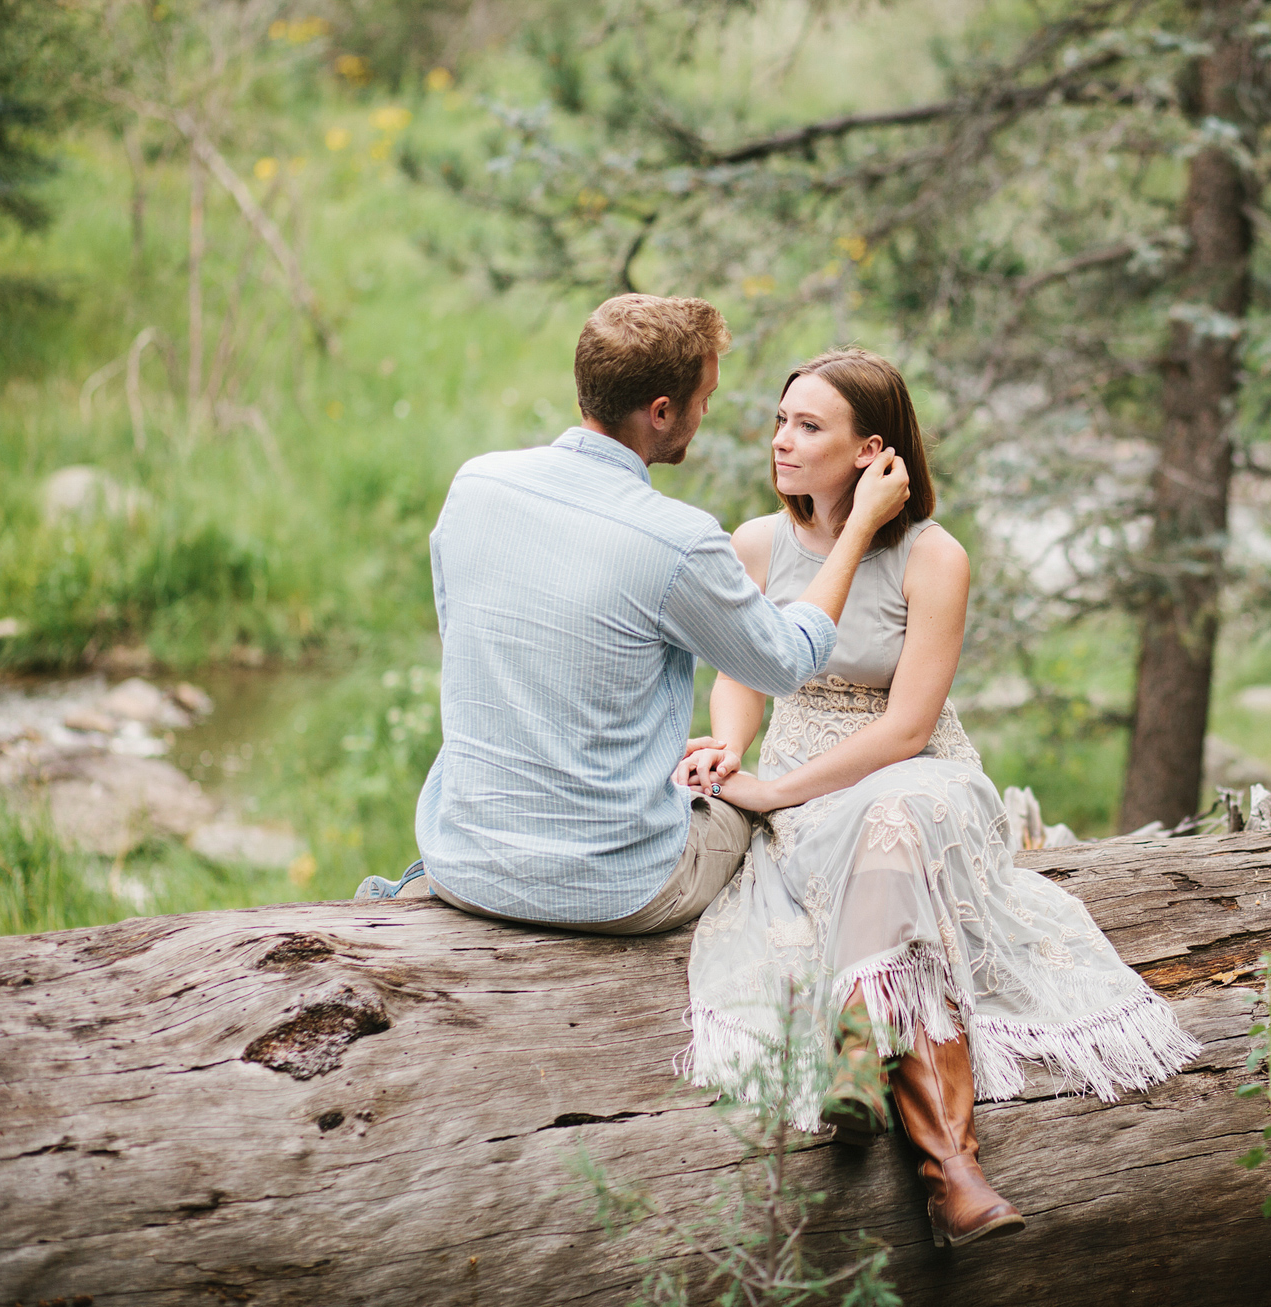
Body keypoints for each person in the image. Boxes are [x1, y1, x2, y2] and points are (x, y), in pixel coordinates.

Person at [678, 349, 1199, 1249]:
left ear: (872, 450)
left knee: (896, 818)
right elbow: (743, 678)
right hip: (801, 784)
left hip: (915, 777)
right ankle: (951, 1171)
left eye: (809, 426)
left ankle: (861, 1063)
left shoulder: (934, 555)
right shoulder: (757, 544)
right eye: (779, 419)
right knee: (884, 855)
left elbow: (907, 730)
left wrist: (775, 789)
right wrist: (730, 746)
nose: (780, 441)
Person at [356, 294, 910, 934]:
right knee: (756, 820)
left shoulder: (476, 484)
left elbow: (492, 657)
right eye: (704, 399)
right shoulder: (678, 539)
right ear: (661, 412)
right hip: (614, 891)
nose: (707, 413)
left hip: (464, 864)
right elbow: (787, 661)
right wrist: (861, 526)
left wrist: (639, 752)